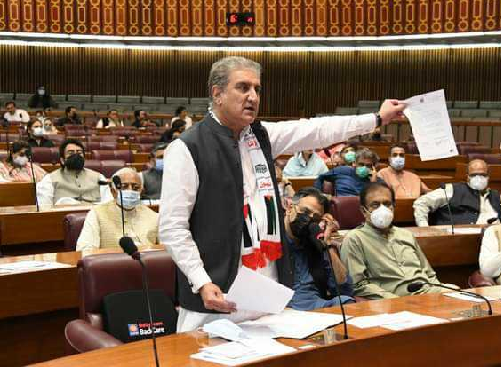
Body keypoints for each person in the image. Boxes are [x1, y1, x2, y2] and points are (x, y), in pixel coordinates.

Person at [158, 56, 405, 332]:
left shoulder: (261, 136)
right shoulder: (187, 148)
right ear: (217, 94)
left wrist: (376, 119)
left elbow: (316, 130)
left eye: (257, 89)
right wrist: (201, 280)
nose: (253, 96)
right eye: (243, 87)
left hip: (266, 298)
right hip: (214, 301)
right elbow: (172, 227)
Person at [340, 182, 453, 299]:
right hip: (392, 300)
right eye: (375, 205)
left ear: (393, 206)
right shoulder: (355, 239)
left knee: (456, 293)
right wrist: (393, 300)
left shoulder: (406, 235)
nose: (382, 209)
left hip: (428, 293)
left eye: (387, 204)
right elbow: (358, 285)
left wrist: (440, 293)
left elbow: (429, 274)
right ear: (364, 211)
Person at [285, 187, 354, 310]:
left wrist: (327, 244)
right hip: (283, 308)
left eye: (315, 218)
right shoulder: (273, 240)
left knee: (347, 302)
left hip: (316, 307)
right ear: (290, 208)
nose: (308, 219)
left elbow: (344, 289)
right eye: (305, 211)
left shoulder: (316, 242)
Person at [76, 167, 159, 252]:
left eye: (135, 187)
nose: (130, 191)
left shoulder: (154, 217)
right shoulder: (97, 214)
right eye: (124, 187)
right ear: (113, 192)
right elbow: (84, 250)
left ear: (141, 193)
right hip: (112, 260)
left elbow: (165, 248)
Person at [413, 159, 501, 227]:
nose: (478, 178)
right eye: (474, 175)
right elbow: (421, 203)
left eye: (482, 175)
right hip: (459, 238)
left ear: (488, 176)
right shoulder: (451, 190)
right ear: (467, 177)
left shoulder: (496, 195)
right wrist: (424, 227)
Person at [36, 139, 112, 206]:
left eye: (79, 153)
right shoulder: (49, 180)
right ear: (62, 160)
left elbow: (109, 205)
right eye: (71, 153)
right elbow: (44, 209)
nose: (76, 156)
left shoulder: (99, 178)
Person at [314, 148, 382, 196]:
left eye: (368, 165)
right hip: (342, 207)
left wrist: (373, 183)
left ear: (373, 167)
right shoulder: (342, 170)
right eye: (361, 164)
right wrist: (320, 195)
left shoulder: (377, 180)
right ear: (354, 163)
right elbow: (320, 177)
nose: (364, 167)